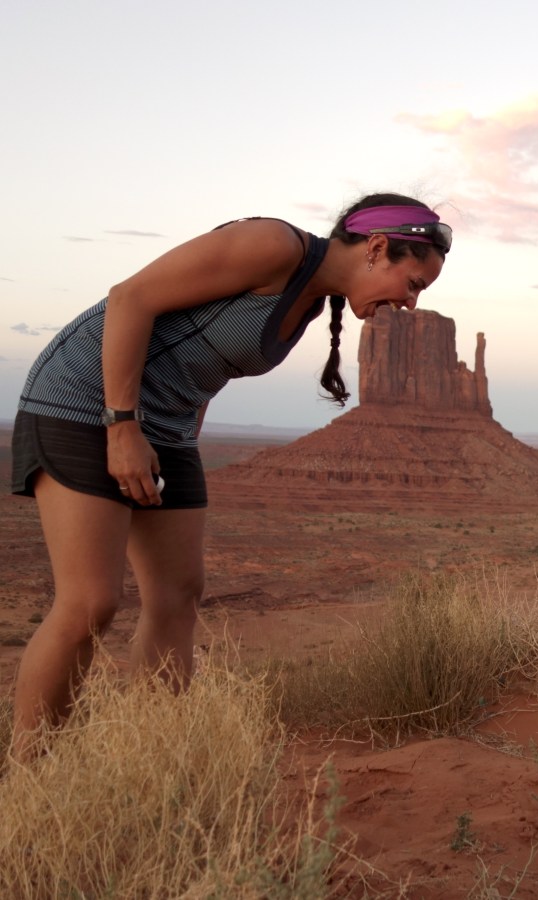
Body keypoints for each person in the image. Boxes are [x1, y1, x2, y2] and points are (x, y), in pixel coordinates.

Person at [8, 192, 450, 756]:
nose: (410, 303)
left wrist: (179, 435)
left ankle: (152, 759)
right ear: (378, 248)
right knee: (91, 602)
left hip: (163, 427)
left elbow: (206, 362)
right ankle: (30, 780)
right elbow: (131, 298)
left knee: (178, 594)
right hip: (83, 403)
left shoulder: (310, 302)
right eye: (413, 284)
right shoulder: (273, 245)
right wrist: (122, 428)